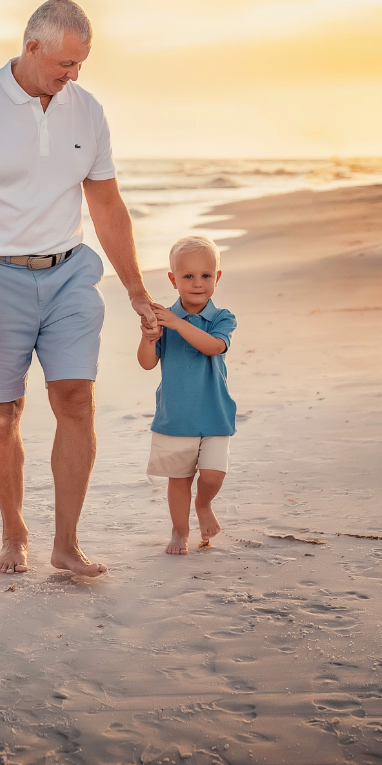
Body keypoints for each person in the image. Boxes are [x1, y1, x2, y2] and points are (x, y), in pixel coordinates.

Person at [0, 0, 156, 578]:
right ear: (32, 47)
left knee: (76, 398)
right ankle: (14, 531)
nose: (73, 75)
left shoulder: (87, 111)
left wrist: (135, 289)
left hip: (70, 271)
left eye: (81, 64)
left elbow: (106, 204)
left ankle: (66, 543)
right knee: (3, 415)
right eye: (65, 64)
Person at [138, 236, 237, 555]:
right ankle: (179, 531)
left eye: (206, 275)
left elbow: (213, 347)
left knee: (213, 474)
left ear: (217, 277)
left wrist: (178, 324)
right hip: (176, 416)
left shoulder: (222, 318)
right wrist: (149, 336)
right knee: (178, 479)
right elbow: (147, 363)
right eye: (188, 276)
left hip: (215, 413)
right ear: (173, 279)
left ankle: (203, 504)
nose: (197, 283)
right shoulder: (163, 319)